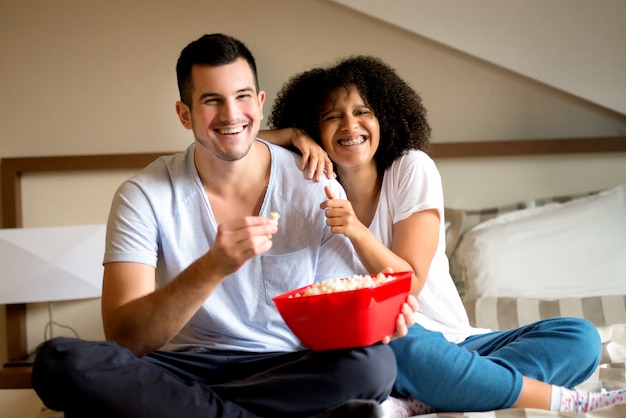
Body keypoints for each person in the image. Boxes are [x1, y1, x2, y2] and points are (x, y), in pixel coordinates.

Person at [29, 34, 418, 418]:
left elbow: (338, 314)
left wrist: (379, 323)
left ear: (260, 103)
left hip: (285, 368)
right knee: (59, 362)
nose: (232, 115)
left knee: (375, 365)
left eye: (242, 96)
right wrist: (211, 267)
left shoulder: (316, 184)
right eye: (212, 101)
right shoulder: (143, 195)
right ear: (185, 114)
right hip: (184, 368)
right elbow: (125, 338)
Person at [261, 55, 626, 414]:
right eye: (331, 117)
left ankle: (431, 394)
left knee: (581, 338)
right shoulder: (310, 188)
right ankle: (540, 397)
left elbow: (410, 281)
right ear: (314, 128)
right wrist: (292, 135)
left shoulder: (410, 168)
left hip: (462, 344)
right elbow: (229, 148)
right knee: (392, 341)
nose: (349, 125)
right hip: (395, 346)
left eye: (362, 112)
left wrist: (357, 230)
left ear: (384, 117)